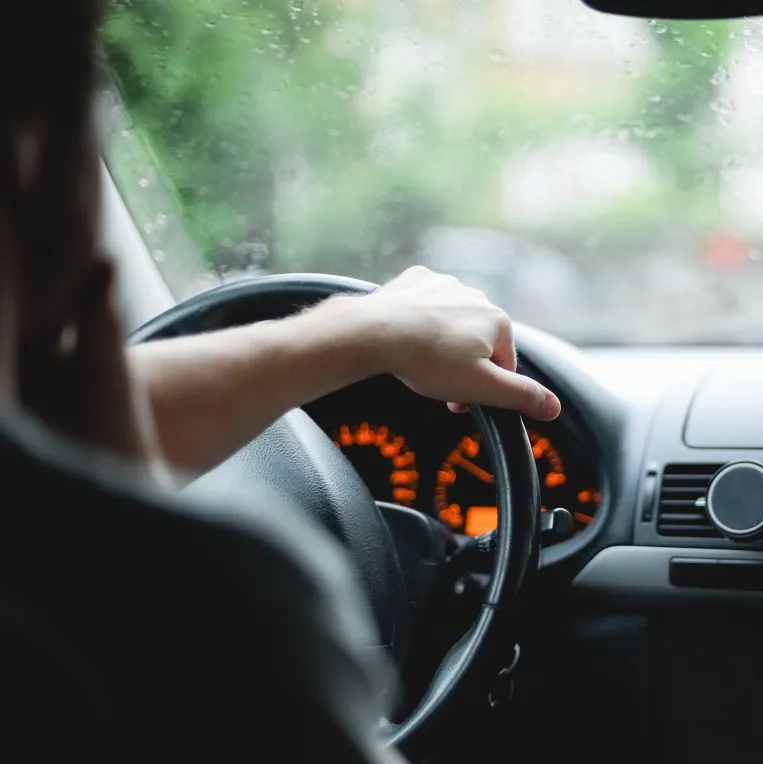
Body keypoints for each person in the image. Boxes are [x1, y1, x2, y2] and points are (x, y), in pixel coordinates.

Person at [0, 2, 554, 762]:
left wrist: (372, 330)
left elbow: (51, 436)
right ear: (39, 165)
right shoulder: (216, 618)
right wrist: (143, 547)